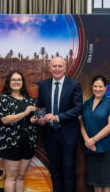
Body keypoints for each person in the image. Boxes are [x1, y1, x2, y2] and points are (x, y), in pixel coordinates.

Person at [37, 56, 83, 192]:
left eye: (60, 66)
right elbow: (39, 106)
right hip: (50, 135)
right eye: (54, 66)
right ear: (50, 68)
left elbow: (78, 109)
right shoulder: (43, 85)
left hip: (68, 135)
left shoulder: (74, 84)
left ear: (65, 68)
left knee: (69, 171)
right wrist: (40, 118)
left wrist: (57, 117)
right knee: (55, 171)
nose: (57, 69)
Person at [0, 71, 37, 192]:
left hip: (28, 143)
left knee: (21, 177)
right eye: (13, 80)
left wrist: (35, 120)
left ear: (23, 83)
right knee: (11, 177)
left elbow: (31, 120)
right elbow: (5, 119)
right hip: (10, 144)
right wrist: (25, 113)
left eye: (19, 80)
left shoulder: (30, 100)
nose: (16, 82)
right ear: (9, 82)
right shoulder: (2, 99)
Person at [79, 75, 110, 192]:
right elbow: (82, 123)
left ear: (105, 88)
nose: (98, 89)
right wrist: (87, 140)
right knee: (95, 181)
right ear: (92, 87)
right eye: (95, 86)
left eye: (101, 86)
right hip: (91, 148)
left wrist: (94, 139)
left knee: (106, 182)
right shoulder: (86, 103)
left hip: (106, 148)